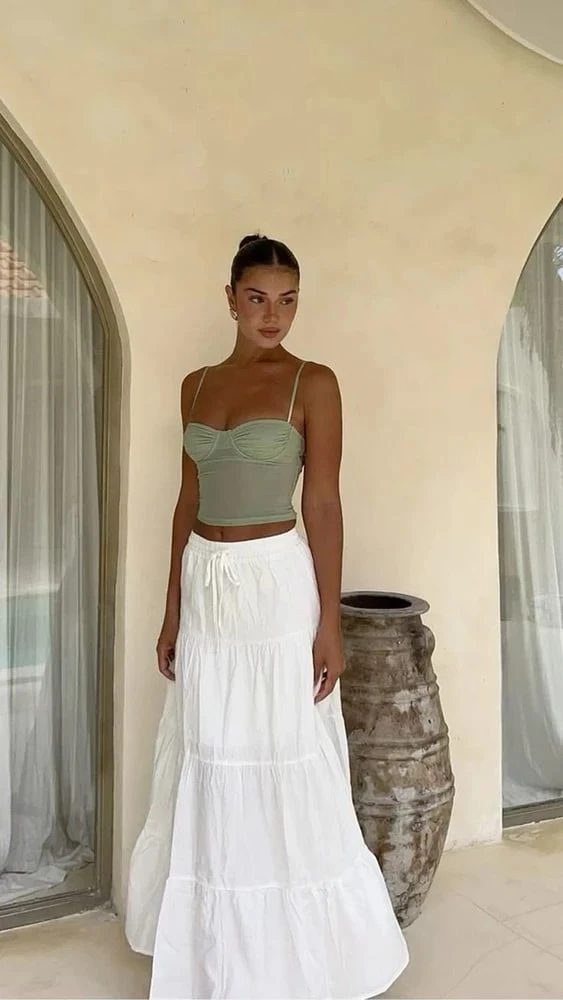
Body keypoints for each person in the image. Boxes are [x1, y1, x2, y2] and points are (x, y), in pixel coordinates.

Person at [125, 235, 409, 999]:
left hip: (276, 585)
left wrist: (329, 624)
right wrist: (171, 608)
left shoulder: (312, 382)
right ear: (230, 299)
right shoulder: (194, 385)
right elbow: (186, 499)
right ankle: (218, 949)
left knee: (283, 748)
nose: (272, 315)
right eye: (256, 298)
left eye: (287, 300)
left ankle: (299, 955)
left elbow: (323, 502)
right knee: (212, 748)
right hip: (206, 581)